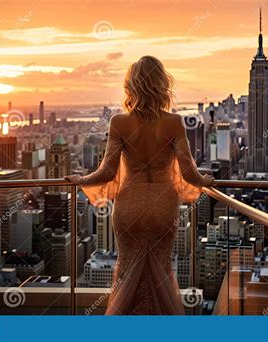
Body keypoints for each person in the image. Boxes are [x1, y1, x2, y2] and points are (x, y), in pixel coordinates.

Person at [65, 55, 214, 315]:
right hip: (163, 207)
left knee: (128, 269)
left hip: (129, 207)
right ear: (161, 84)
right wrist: (207, 181)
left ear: (131, 85)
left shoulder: (119, 123)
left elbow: (107, 171)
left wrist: (80, 181)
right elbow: (190, 174)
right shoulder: (174, 123)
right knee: (161, 270)